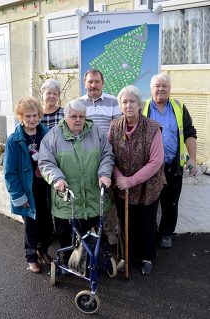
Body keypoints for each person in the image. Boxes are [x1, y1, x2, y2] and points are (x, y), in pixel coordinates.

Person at [38, 99, 114, 257]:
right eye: (74, 116)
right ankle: (69, 262)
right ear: (65, 117)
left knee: (92, 235)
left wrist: (105, 174)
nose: (78, 120)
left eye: (82, 116)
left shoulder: (96, 131)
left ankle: (90, 262)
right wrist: (57, 178)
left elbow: (107, 154)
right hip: (67, 197)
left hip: (92, 195)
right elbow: (45, 162)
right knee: (66, 236)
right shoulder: (53, 135)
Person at [109, 85, 165, 275]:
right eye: (124, 102)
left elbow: (156, 161)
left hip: (148, 185)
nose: (129, 105)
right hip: (122, 185)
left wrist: (130, 181)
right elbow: (110, 156)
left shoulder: (152, 127)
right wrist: (119, 178)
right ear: (120, 106)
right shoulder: (115, 126)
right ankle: (127, 256)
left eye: (132, 101)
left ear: (139, 104)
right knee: (126, 223)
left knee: (146, 223)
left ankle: (147, 257)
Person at [143, 73, 197, 248]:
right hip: (149, 167)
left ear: (170, 88)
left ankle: (166, 233)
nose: (161, 89)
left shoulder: (179, 107)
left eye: (164, 86)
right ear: (151, 89)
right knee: (149, 203)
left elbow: (189, 133)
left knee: (171, 203)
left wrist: (193, 158)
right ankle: (150, 234)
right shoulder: (142, 108)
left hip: (173, 166)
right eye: (157, 86)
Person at [4, 97, 53, 274]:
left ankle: (43, 250)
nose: (32, 120)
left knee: (47, 224)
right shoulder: (14, 140)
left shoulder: (46, 133)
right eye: (27, 116)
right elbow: (10, 173)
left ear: (39, 115)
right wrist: (19, 197)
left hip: (45, 188)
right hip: (27, 191)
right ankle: (31, 257)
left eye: (34, 115)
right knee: (31, 226)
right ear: (21, 117)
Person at [79, 69, 121, 245]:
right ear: (85, 84)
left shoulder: (113, 102)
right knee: (88, 195)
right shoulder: (78, 103)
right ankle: (90, 232)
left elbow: (119, 129)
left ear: (103, 83)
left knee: (108, 197)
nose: (93, 85)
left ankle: (111, 233)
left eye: (97, 81)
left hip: (107, 157)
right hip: (84, 160)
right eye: (90, 82)